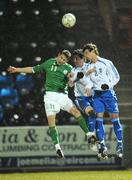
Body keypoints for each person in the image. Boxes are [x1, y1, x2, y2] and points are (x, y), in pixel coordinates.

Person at [7, 49, 96, 158]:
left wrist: (71, 79)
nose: (62, 61)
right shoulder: (49, 62)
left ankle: (90, 135)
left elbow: (71, 81)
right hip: (50, 96)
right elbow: (33, 69)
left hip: (62, 95)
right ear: (58, 55)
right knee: (51, 123)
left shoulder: (68, 68)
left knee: (76, 112)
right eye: (61, 58)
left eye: (64, 60)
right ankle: (58, 148)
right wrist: (17, 69)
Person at [82, 43, 123, 159]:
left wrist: (108, 85)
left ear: (93, 51)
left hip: (108, 94)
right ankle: (103, 146)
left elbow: (117, 77)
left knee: (115, 120)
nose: (85, 56)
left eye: (86, 53)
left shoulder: (106, 62)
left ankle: (120, 144)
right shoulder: (87, 66)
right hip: (97, 95)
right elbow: (85, 80)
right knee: (98, 120)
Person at [69, 49, 97, 151]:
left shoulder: (90, 66)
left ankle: (96, 139)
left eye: (78, 58)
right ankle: (92, 140)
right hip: (81, 98)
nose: (75, 61)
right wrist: (77, 79)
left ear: (83, 58)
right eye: (74, 59)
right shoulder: (73, 70)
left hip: (94, 96)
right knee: (91, 113)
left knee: (97, 118)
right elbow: (70, 84)